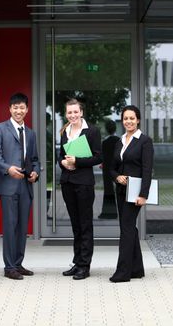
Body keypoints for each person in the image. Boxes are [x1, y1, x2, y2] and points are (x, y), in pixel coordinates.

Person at [0, 92, 40, 280]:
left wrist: (36, 172)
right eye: (15, 107)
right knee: (10, 226)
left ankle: (18, 263)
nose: (19, 110)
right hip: (8, 184)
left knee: (22, 227)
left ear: (27, 109)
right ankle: (9, 267)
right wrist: (8, 168)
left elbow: (34, 159)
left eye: (22, 107)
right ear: (10, 109)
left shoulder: (30, 132)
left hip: (25, 185)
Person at [109, 105, 154, 283]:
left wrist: (144, 195)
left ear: (138, 120)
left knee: (126, 230)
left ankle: (123, 272)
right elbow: (111, 167)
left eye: (132, 118)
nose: (128, 121)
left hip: (135, 193)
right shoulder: (120, 141)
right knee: (129, 229)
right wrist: (116, 177)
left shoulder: (144, 141)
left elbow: (147, 169)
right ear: (122, 121)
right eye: (125, 118)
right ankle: (136, 269)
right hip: (121, 191)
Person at [58, 99, 102, 280]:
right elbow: (61, 156)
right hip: (68, 182)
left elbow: (98, 157)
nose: (73, 115)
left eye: (75, 112)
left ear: (81, 112)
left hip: (84, 183)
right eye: (69, 113)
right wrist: (62, 163)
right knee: (75, 225)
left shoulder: (92, 131)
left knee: (85, 224)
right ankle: (77, 262)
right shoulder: (64, 131)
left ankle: (85, 265)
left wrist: (77, 161)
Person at [98, 119, 120, 219]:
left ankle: (109, 212)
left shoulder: (105, 142)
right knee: (121, 191)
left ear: (107, 129)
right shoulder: (119, 141)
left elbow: (103, 156)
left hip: (107, 169)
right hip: (118, 168)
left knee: (108, 190)